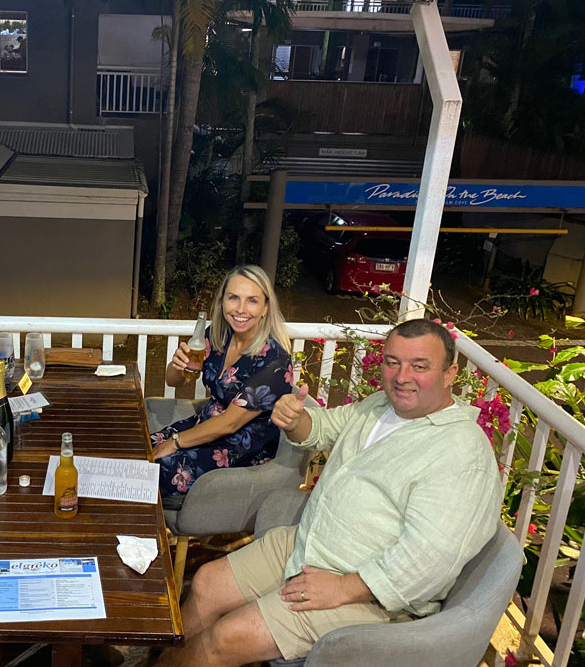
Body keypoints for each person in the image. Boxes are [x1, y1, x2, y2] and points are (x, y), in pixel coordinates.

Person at [155, 319, 501, 666]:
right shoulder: (381, 405)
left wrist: (344, 587)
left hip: (367, 592)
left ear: (450, 373)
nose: (401, 376)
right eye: (393, 362)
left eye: (419, 366)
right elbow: (320, 429)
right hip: (312, 542)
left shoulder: (462, 454)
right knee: (207, 583)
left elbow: (427, 562)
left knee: (228, 637)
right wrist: (295, 420)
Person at [151, 265, 293, 502]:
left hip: (239, 449)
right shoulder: (218, 335)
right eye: (233, 298)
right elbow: (175, 380)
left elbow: (229, 424)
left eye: (252, 301)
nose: (240, 309)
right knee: (138, 448)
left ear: (265, 307)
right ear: (222, 301)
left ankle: (140, 533)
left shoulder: (274, 362)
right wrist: (177, 366)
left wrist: (174, 442)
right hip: (204, 426)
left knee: (154, 469)